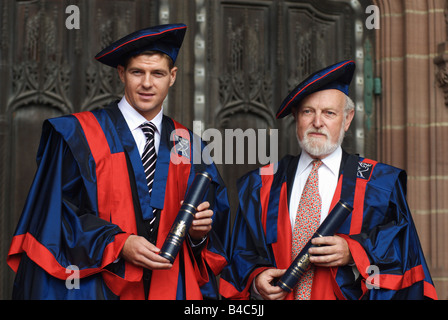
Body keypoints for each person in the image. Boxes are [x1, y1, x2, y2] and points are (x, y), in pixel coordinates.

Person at [7, 23, 231, 300]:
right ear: (122, 73)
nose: (147, 83)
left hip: (170, 287)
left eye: (158, 73)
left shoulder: (192, 147)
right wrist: (117, 243)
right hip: (97, 287)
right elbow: (52, 215)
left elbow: (218, 233)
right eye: (138, 72)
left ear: (172, 77)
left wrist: (199, 234)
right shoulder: (78, 135)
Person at [219, 60, 438, 300]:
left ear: (347, 119)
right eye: (308, 111)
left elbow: (405, 255)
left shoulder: (380, 184)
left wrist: (354, 251)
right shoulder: (260, 185)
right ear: (296, 117)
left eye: (329, 113)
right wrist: (256, 279)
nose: (317, 122)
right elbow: (241, 253)